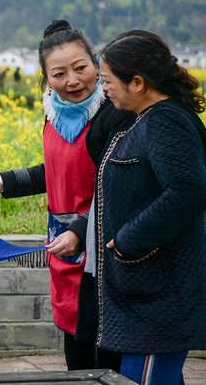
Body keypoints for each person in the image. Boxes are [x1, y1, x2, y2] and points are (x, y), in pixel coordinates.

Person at [0, 20, 132, 372]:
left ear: (95, 62)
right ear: (46, 78)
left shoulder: (113, 114)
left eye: (81, 68)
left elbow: (121, 187)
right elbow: (55, 170)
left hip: (103, 242)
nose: (73, 81)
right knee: (74, 339)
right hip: (64, 244)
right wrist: (2, 181)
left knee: (103, 346)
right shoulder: (54, 113)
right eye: (59, 74)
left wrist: (81, 229)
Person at [96, 30, 206, 384]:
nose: (105, 89)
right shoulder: (148, 118)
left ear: (138, 82)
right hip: (149, 286)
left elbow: (188, 190)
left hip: (161, 289)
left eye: (108, 81)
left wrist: (129, 239)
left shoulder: (165, 120)